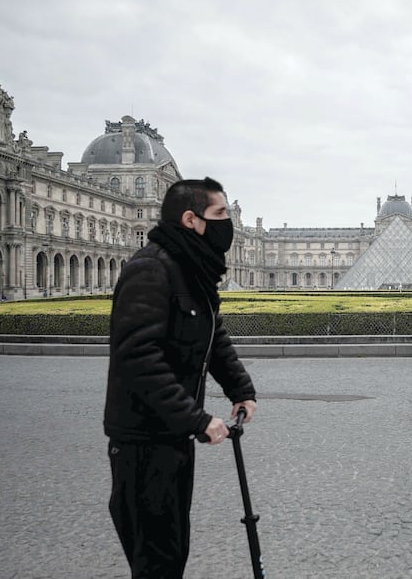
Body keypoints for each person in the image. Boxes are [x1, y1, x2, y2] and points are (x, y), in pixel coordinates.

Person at [104, 177, 257, 578]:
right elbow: (138, 359)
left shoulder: (189, 269)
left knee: (170, 552)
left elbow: (212, 333)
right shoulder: (152, 269)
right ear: (191, 219)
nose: (229, 225)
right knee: (157, 560)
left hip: (170, 436)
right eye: (221, 215)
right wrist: (198, 419)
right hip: (143, 442)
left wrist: (240, 388)